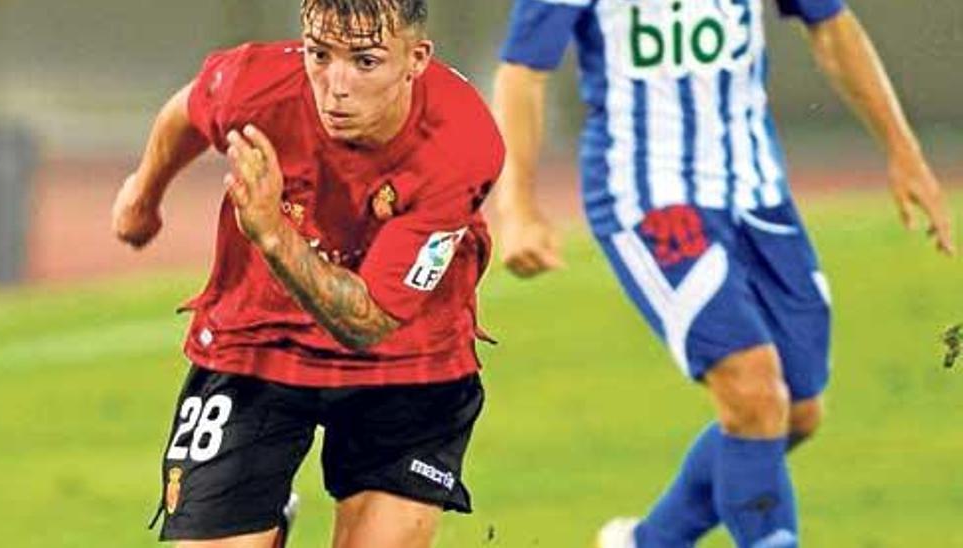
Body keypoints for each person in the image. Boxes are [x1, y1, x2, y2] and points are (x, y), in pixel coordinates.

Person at [491, 0, 954, 546]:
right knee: (754, 391)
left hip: (756, 191)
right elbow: (524, 71)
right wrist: (517, 207)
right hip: (646, 196)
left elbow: (830, 24)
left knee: (798, 411)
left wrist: (904, 151)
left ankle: (649, 542)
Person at [110, 0, 504, 545]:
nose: (335, 85)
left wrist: (272, 233)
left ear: (416, 59)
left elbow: (369, 322)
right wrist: (143, 193)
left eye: (365, 62)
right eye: (321, 55)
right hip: (256, 341)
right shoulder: (258, 81)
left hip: (408, 361)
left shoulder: (460, 141)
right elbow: (190, 108)